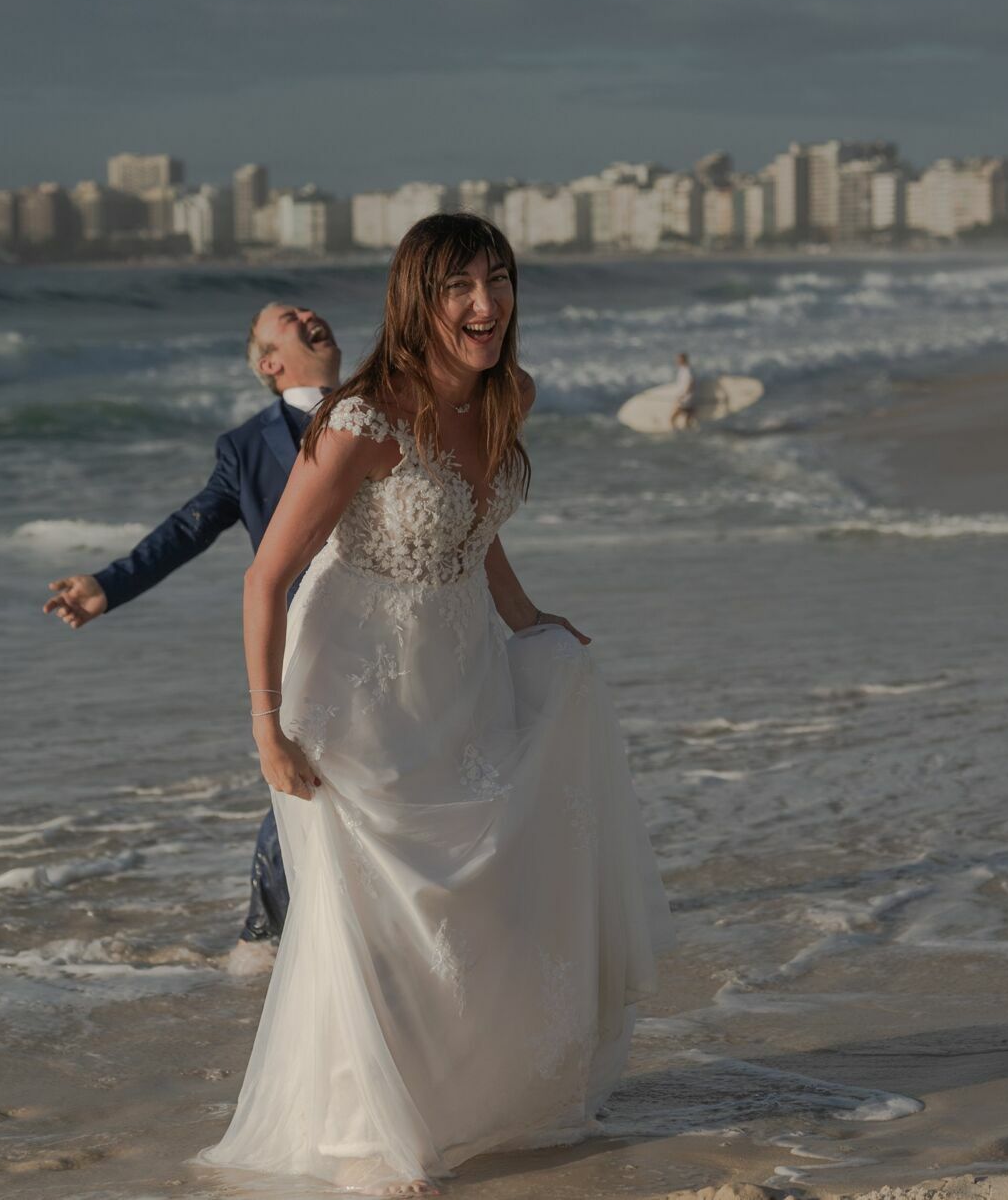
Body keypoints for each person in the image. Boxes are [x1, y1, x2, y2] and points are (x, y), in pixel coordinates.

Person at [197, 214, 674, 1195]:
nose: (485, 305)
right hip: (355, 687)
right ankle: (368, 1132)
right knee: (375, 912)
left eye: (498, 280)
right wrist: (266, 727)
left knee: (478, 900)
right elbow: (268, 579)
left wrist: (530, 618)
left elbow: (473, 522)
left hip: (459, 673)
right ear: (418, 298)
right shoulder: (363, 418)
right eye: (460, 286)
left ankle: (468, 1099)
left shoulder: (508, 397)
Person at [42, 302, 342, 973]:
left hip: (397, 625)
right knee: (301, 780)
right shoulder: (247, 446)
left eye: (306, 307)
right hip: (309, 637)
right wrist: (106, 584)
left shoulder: (386, 407)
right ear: (270, 363)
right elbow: (188, 528)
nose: (307, 313)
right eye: (287, 318)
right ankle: (264, 936)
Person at [669, 351, 696, 430]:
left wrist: (683, 395)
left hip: (685, 399)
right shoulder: (683, 369)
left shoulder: (688, 370)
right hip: (687, 398)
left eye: (679, 359)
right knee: (688, 420)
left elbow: (691, 383)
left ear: (683, 360)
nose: (677, 361)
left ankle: (675, 434)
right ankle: (688, 435)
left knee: (672, 418)